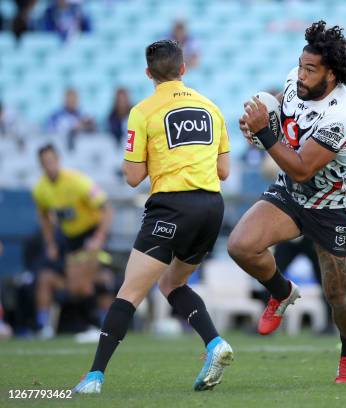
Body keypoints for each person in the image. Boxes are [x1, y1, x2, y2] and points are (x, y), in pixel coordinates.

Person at [73, 39, 232, 394]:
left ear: (148, 73)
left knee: (129, 292)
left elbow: (132, 178)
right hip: (212, 208)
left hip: (172, 206)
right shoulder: (212, 108)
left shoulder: (142, 111)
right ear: (183, 69)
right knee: (172, 283)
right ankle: (214, 344)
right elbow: (224, 171)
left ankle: (94, 377)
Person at [229, 21, 346, 383]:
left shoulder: (341, 115)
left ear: (331, 75)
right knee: (241, 246)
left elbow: (304, 167)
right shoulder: (295, 79)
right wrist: (256, 122)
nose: (301, 75)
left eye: (311, 70)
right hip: (291, 194)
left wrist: (264, 132)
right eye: (300, 66)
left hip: (332, 208)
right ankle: (282, 291)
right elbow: (281, 110)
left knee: (338, 295)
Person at [32, 144, 113, 339]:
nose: (49, 165)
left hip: (91, 234)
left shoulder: (77, 181)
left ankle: (97, 326)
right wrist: (50, 242)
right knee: (72, 285)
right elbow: (44, 216)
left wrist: (98, 238)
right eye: (45, 162)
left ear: (58, 160)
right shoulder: (40, 189)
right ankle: (47, 327)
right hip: (70, 239)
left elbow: (107, 208)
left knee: (81, 283)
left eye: (51, 160)